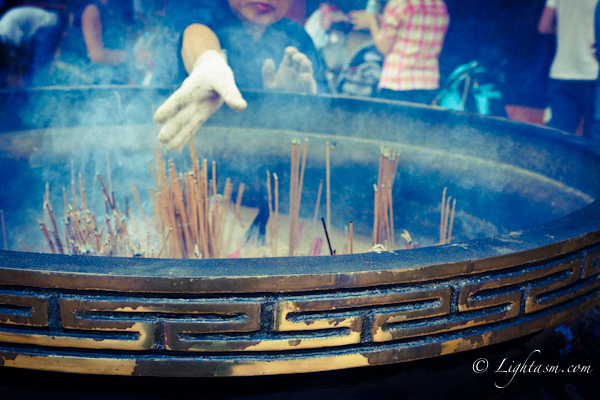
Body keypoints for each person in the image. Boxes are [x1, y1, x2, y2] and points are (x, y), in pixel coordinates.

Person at [153, 0, 326, 152]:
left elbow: (324, 122)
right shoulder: (195, 7)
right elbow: (194, 31)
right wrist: (207, 61)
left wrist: (289, 102)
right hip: (180, 157)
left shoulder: (297, 38)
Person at [349, 0, 449, 105]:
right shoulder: (439, 5)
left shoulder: (399, 4)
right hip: (427, 82)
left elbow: (384, 47)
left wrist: (371, 22)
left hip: (397, 81)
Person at [538, 0, 599, 137]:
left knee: (557, 139)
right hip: (594, 75)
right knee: (594, 144)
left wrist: (566, 30)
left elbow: (544, 26)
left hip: (561, 72)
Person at [52, 0, 150, 85]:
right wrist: (132, 56)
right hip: (75, 79)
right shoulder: (92, 9)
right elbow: (97, 55)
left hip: (89, 78)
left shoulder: (109, 8)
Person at [0, 5, 63, 87]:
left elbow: (20, 54)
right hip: (35, 31)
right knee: (31, 64)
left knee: (39, 64)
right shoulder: (4, 36)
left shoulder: (7, 31)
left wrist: (19, 77)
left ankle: (41, 90)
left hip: (49, 24)